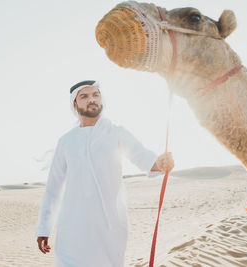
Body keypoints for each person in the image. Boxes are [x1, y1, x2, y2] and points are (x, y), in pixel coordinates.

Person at [35, 80, 174, 266]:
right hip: (72, 229)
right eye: (84, 96)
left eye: (96, 95)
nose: (91, 99)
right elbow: (53, 188)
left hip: (109, 227)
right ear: (75, 105)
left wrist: (159, 163)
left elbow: (142, 157)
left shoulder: (116, 132)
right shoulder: (66, 142)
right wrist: (44, 228)